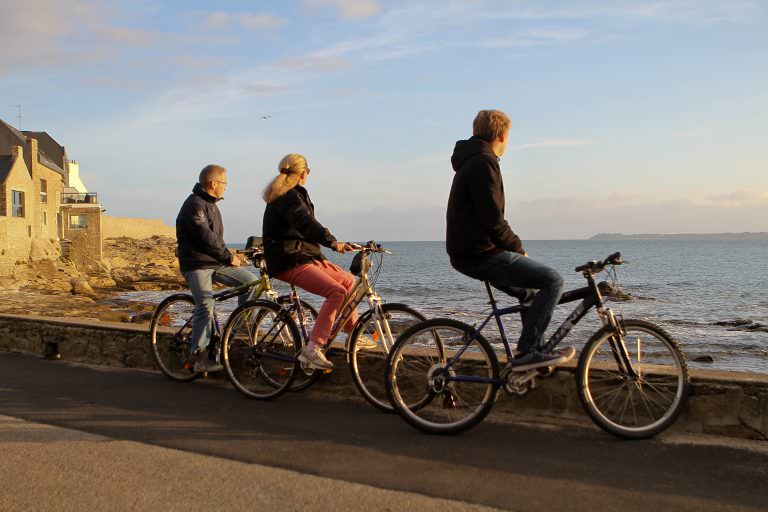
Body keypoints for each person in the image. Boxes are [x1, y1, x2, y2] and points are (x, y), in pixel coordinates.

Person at [446, 110, 574, 371]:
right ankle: (528, 351)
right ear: (502, 136)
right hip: (480, 253)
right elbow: (492, 219)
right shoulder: (484, 162)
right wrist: (517, 248)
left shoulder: (472, 160)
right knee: (552, 280)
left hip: (468, 252)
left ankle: (529, 356)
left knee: (530, 293)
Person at [262, 153, 368, 370]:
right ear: (303, 173)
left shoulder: (293, 195)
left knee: (348, 283)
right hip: (289, 260)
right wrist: (333, 242)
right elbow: (306, 223)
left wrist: (330, 246)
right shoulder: (286, 196)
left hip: (305, 256)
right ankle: (312, 349)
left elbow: (307, 227)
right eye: (308, 172)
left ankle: (353, 335)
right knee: (336, 291)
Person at [176, 164, 256, 372]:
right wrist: (228, 256)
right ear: (213, 183)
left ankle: (234, 331)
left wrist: (228, 256)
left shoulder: (212, 205)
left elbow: (215, 240)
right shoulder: (194, 204)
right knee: (205, 305)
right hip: (196, 265)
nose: (226, 187)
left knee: (250, 282)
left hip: (215, 263)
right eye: (224, 183)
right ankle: (199, 356)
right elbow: (205, 237)